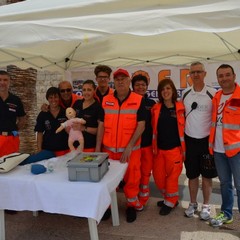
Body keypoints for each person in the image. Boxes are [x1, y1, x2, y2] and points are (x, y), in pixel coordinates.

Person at [96, 68, 146, 223]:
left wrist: (130, 146)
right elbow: (101, 125)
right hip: (109, 151)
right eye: (117, 79)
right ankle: (108, 207)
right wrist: (98, 148)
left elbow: (141, 125)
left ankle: (131, 205)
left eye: (123, 79)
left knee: (132, 179)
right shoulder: (106, 100)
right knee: (108, 180)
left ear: (129, 81)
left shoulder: (139, 99)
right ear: (114, 82)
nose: (120, 81)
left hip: (130, 151)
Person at [182, 62, 217, 220]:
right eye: (193, 72)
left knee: (207, 176)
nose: (195, 75)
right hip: (190, 141)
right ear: (189, 74)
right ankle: (193, 203)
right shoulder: (185, 93)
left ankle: (206, 205)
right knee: (192, 175)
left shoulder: (213, 93)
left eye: (199, 72)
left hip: (206, 142)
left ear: (204, 74)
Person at [209, 64, 240, 227]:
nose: (224, 78)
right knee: (225, 183)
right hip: (219, 149)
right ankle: (227, 214)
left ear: (234, 76)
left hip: (237, 150)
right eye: (221, 76)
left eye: (227, 75)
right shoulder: (216, 96)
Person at [152, 78, 185, 215]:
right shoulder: (156, 108)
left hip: (174, 151)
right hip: (159, 150)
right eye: (163, 89)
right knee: (159, 178)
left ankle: (171, 202)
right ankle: (169, 198)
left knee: (172, 179)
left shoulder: (181, 108)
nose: (165, 91)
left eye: (168, 88)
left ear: (173, 91)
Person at [20, 87, 69, 165]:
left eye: (56, 97)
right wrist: (39, 149)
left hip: (64, 150)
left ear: (59, 98)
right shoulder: (43, 114)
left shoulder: (66, 112)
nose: (53, 100)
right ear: (47, 99)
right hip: (48, 151)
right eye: (51, 97)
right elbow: (39, 132)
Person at [131, 73, 155, 206]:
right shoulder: (129, 102)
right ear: (133, 87)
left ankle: (143, 199)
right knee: (134, 174)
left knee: (145, 173)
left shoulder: (151, 103)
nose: (140, 87)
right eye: (137, 85)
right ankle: (133, 199)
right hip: (133, 145)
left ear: (147, 87)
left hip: (147, 145)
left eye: (143, 85)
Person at [0, 70, 26, 157]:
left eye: (5, 80)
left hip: (11, 139)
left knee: (11, 166)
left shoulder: (16, 100)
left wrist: (13, 129)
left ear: (9, 82)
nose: (2, 82)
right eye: (0, 80)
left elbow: (22, 119)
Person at [73, 80, 104, 152]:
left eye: (89, 90)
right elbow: (71, 119)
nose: (86, 93)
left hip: (89, 147)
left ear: (94, 90)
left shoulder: (98, 108)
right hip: (75, 146)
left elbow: (100, 131)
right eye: (84, 90)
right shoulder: (77, 103)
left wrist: (84, 128)